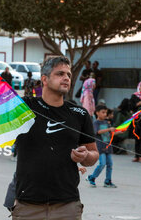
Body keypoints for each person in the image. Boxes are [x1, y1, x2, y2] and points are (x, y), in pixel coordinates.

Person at [8, 56, 99, 220]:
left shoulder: (80, 114)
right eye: (60, 74)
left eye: (69, 75)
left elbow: (93, 155)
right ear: (44, 79)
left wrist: (86, 156)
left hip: (67, 206)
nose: (66, 78)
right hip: (28, 206)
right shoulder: (22, 108)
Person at [86, 105, 117, 188]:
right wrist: (109, 129)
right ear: (97, 113)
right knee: (102, 164)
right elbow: (98, 132)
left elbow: (110, 133)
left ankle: (108, 181)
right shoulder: (95, 123)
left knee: (110, 164)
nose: (105, 114)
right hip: (100, 147)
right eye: (103, 112)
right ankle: (92, 178)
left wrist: (117, 131)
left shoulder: (107, 122)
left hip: (108, 146)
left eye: (106, 112)